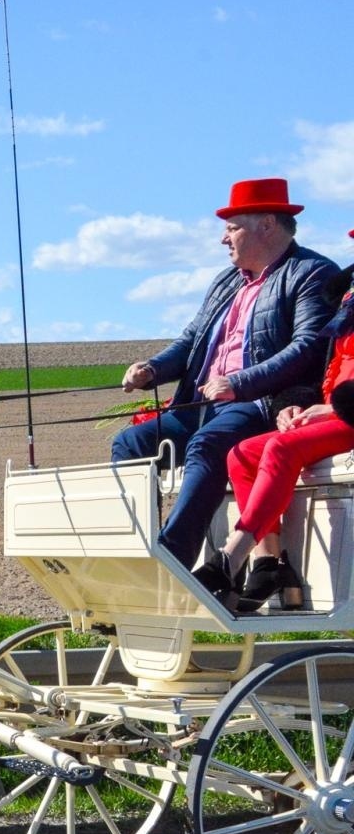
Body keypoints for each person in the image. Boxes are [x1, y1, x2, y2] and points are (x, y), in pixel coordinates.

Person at [112, 178, 339, 571]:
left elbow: (307, 348)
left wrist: (239, 383)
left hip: (259, 402)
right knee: (130, 444)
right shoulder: (225, 281)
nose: (223, 238)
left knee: (207, 445)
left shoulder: (311, 273)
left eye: (232, 226)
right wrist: (152, 369)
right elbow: (190, 341)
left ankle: (171, 558)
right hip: (201, 403)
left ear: (267, 225)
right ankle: (132, 545)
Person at [200, 254, 354, 611]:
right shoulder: (348, 306)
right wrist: (296, 405)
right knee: (241, 455)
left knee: (281, 449)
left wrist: (332, 408)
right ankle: (268, 564)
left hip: (347, 416)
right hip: (336, 413)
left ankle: (232, 554)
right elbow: (329, 372)